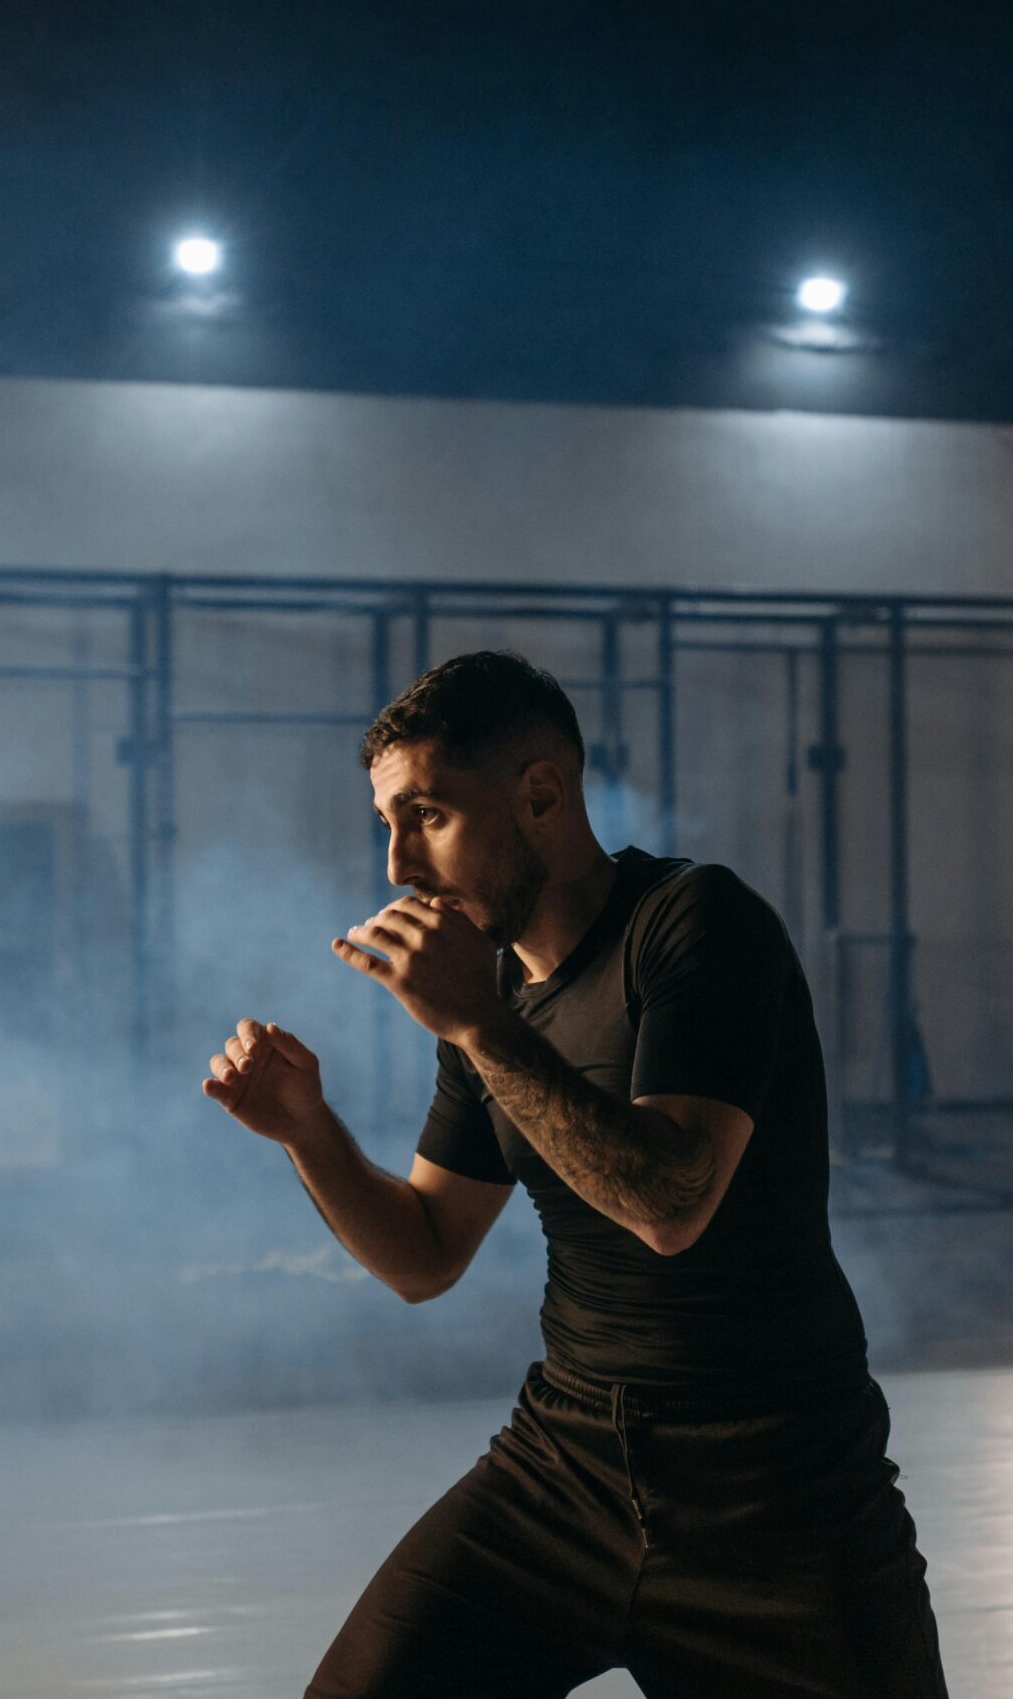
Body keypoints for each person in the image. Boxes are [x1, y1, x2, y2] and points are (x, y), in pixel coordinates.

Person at [202, 651, 948, 1698]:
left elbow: (671, 1201)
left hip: (775, 1492)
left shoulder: (696, 924)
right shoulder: (492, 997)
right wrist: (308, 1132)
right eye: (386, 822)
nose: (395, 864)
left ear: (541, 794)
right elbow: (424, 1253)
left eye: (423, 815)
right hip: (569, 1464)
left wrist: (477, 1022)